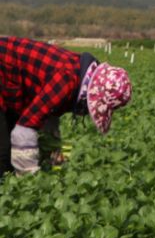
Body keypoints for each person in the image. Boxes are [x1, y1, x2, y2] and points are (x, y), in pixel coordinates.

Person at [1, 36, 132, 176]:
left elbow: (46, 111)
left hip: (10, 85)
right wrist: (28, 178)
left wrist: (53, 148)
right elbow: (25, 128)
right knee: (2, 152)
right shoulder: (67, 78)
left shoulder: (79, 75)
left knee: (9, 149)